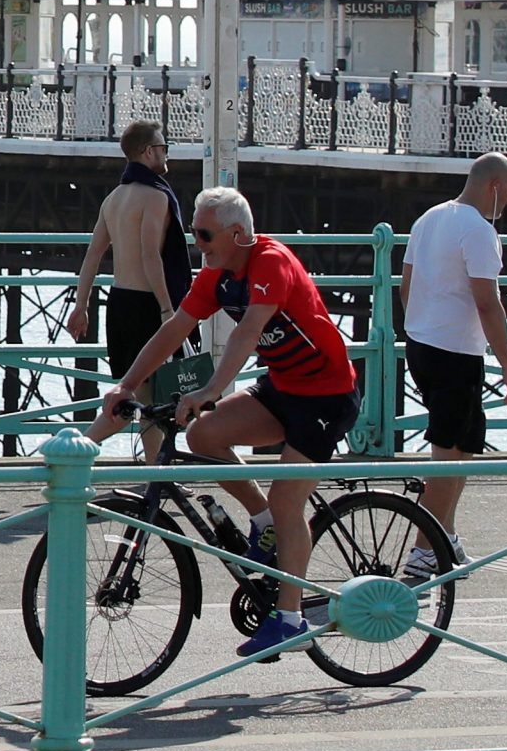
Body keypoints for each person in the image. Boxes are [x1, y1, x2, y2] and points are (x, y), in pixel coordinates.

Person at [95, 185, 362, 659]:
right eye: (194, 234)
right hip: (284, 388)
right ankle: (264, 523)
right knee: (204, 435)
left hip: (326, 396)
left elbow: (248, 331)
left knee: (288, 499)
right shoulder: (217, 274)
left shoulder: (270, 262)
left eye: (205, 235)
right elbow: (175, 327)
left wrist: (210, 390)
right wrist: (128, 384)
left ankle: (290, 619)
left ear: (238, 234)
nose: (199, 245)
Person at [399, 153, 507, 571]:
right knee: (450, 455)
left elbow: (407, 285)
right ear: (493, 186)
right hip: (455, 353)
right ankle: (423, 552)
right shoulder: (478, 230)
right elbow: (488, 303)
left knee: (460, 445)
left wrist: (420, 325)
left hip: (423, 344)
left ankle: (445, 538)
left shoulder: (428, 218)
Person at [65, 120, 194, 460]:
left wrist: (82, 304)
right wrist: (169, 310)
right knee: (137, 395)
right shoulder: (154, 196)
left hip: (119, 302)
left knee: (150, 398)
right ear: (148, 151)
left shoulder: (114, 198)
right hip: (147, 304)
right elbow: (151, 254)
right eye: (163, 148)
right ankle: (76, 452)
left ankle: (155, 473)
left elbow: (93, 254)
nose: (167, 154)